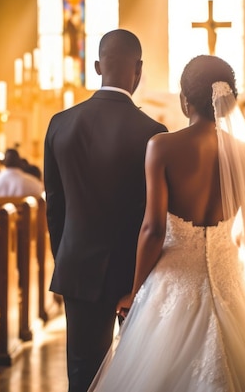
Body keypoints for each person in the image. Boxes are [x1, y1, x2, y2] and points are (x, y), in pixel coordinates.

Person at [89, 55, 245, 392]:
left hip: (176, 279)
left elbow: (153, 229)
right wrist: (218, 247)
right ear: (228, 101)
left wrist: (136, 291)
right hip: (228, 280)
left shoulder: (162, 146)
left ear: (185, 101)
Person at [44, 29, 168, 392]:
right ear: (139, 70)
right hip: (135, 274)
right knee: (139, 374)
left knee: (82, 376)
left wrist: (65, 257)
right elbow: (155, 215)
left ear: (97, 66)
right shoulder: (153, 132)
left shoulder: (61, 124)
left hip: (78, 267)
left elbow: (55, 205)